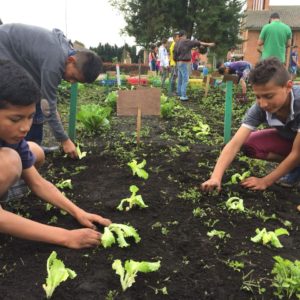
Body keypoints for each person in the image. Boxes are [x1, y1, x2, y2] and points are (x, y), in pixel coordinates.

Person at [0, 59, 111, 248]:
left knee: (35, 151)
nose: (26, 127)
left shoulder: (15, 137)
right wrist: (66, 237)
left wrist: (78, 212)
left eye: (30, 117)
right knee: (10, 162)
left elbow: (38, 182)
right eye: (16, 119)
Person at [0, 23, 103, 159]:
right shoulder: (54, 63)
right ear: (71, 60)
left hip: (16, 51)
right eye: (73, 77)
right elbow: (47, 106)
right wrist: (64, 140)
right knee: (19, 101)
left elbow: (47, 102)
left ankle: (34, 146)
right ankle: (16, 152)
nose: (72, 82)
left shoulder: (67, 51)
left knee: (35, 95)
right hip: (4, 48)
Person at [201, 57, 300, 192]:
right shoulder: (259, 108)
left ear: (288, 87)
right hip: (292, 140)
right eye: (258, 96)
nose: (263, 103)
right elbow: (235, 143)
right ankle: (295, 168)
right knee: (249, 144)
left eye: (269, 96)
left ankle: (293, 169)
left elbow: (297, 153)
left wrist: (265, 181)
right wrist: (216, 177)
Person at [174, 30, 215, 101]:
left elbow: (175, 54)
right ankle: (183, 96)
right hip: (184, 63)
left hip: (178, 62)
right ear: (184, 35)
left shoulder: (176, 43)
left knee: (180, 79)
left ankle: (179, 94)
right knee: (185, 79)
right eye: (186, 36)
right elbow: (197, 42)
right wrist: (209, 44)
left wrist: (177, 62)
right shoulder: (185, 41)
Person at [168, 31, 180, 96]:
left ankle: (172, 91)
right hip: (174, 63)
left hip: (174, 63)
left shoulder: (174, 44)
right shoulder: (174, 44)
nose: (179, 38)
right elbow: (175, 55)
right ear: (174, 38)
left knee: (173, 78)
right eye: (178, 37)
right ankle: (171, 92)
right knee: (173, 78)